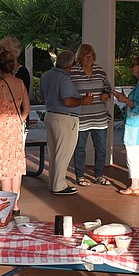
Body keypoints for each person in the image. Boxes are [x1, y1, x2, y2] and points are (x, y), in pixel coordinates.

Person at [0, 49, 30, 212]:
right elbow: (26, 108)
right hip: (16, 126)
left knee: (5, 167)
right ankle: (16, 204)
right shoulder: (20, 83)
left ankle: (7, 204)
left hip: (2, 127)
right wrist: (19, 119)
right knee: (16, 166)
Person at [40, 50, 82, 195]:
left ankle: (54, 183)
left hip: (50, 115)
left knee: (54, 152)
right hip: (65, 118)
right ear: (70, 65)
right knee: (63, 152)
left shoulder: (46, 75)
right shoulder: (64, 79)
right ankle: (59, 185)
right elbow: (67, 101)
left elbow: (42, 97)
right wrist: (83, 100)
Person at [70, 44, 112, 186]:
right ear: (80, 58)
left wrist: (106, 93)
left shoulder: (99, 70)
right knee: (80, 148)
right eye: (86, 57)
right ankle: (80, 176)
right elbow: (66, 92)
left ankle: (99, 175)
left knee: (101, 148)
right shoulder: (73, 72)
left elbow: (108, 87)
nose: (90, 59)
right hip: (81, 117)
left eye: (91, 56)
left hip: (99, 116)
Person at [114, 57, 139, 195]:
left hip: (136, 125)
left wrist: (125, 100)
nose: (132, 67)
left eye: (135, 65)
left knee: (133, 154)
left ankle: (134, 185)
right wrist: (126, 99)